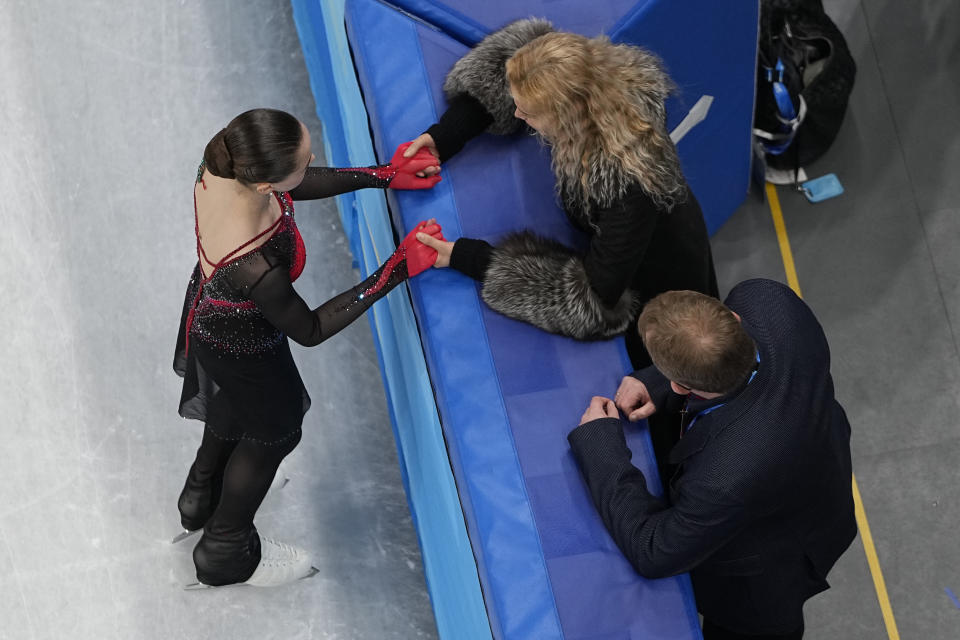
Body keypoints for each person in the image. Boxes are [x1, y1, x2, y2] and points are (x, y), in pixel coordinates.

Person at [173, 108, 443, 588]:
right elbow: (311, 328)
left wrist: (385, 175)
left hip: (213, 313)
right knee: (275, 435)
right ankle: (225, 549)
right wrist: (397, 268)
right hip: (244, 343)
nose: (312, 158)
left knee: (234, 409)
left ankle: (201, 493)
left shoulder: (225, 158)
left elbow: (293, 182)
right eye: (303, 158)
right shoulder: (256, 266)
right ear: (263, 186)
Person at [407, 19, 718, 368]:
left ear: (567, 120)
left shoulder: (629, 187)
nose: (517, 114)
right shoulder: (584, 72)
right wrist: (447, 135)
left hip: (658, 270)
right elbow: (518, 65)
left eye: (528, 113)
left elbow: (593, 296)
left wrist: (470, 258)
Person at [568, 280, 857, 639]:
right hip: (819, 462)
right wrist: (656, 380)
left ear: (682, 387)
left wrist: (601, 446)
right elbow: (715, 347)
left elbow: (654, 551)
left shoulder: (723, 477)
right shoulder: (768, 300)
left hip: (767, 574)